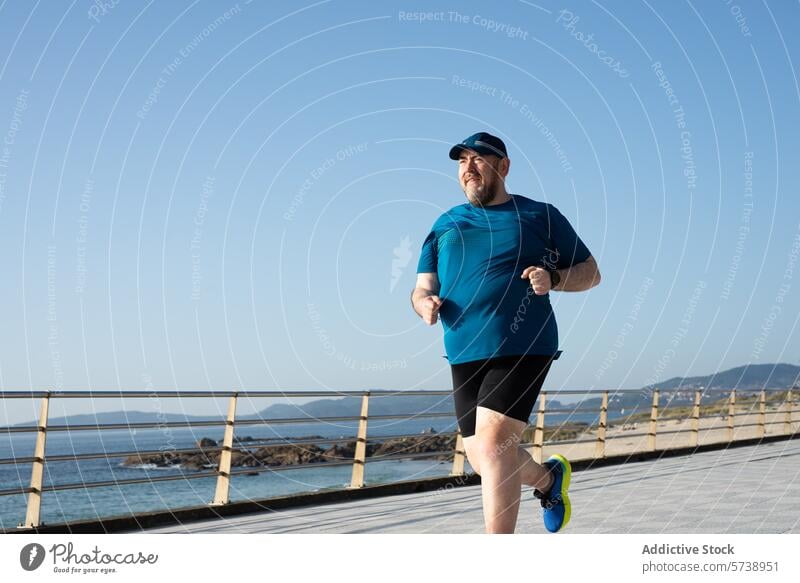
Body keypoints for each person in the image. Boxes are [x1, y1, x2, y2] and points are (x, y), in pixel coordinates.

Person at [411, 132, 601, 534]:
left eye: (478, 159)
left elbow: (591, 273)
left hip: (524, 343)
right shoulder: (445, 224)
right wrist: (424, 303)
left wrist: (553, 277)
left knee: (496, 440)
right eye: (462, 162)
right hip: (463, 350)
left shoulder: (540, 215)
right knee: (485, 457)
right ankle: (549, 479)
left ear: (504, 166)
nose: (468, 168)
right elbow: (422, 286)